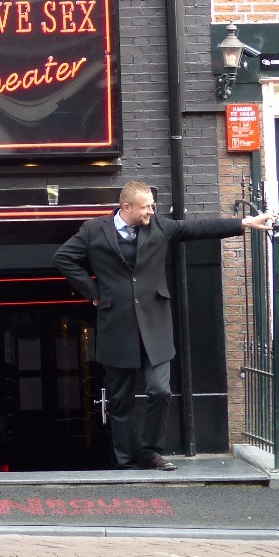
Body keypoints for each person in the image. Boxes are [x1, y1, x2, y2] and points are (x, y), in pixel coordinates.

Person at [54, 180, 275, 471]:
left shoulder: (159, 227)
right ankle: (125, 461)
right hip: (116, 325)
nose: (151, 211)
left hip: (155, 325)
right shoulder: (93, 230)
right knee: (120, 400)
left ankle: (151, 452)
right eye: (145, 207)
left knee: (160, 390)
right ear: (126, 207)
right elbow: (64, 258)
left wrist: (245, 222)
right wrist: (94, 294)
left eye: (152, 206)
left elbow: (196, 228)